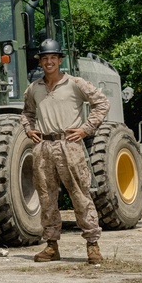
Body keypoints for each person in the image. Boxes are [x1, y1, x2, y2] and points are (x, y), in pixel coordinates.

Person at [21, 39, 110, 265]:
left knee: (80, 195)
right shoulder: (34, 88)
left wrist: (85, 129)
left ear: (60, 60)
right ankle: (51, 246)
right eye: (44, 58)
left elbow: (102, 103)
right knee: (46, 198)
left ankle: (92, 245)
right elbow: (27, 113)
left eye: (53, 58)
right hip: (44, 147)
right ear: (40, 62)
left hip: (69, 145)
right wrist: (29, 130)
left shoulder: (75, 83)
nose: (49, 62)